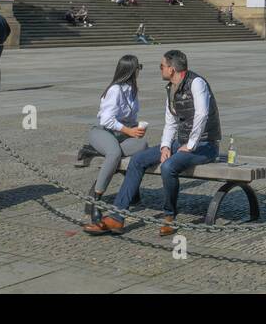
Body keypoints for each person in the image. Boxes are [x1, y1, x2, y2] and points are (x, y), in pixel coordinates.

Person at [104, 50, 223, 236]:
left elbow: (202, 114)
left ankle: (169, 216)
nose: (160, 69)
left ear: (172, 68)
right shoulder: (171, 88)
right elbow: (171, 122)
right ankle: (117, 216)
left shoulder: (197, 83)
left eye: (162, 66)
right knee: (138, 160)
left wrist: (191, 145)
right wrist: (166, 145)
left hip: (205, 145)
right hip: (181, 142)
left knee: (168, 167)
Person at [77, 55, 151, 235]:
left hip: (120, 135)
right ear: (131, 70)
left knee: (142, 146)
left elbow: (131, 119)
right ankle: (97, 200)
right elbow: (106, 120)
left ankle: (93, 150)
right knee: (114, 154)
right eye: (138, 67)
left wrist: (136, 130)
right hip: (102, 131)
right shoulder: (115, 90)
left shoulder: (132, 91)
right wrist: (128, 131)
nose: (139, 71)